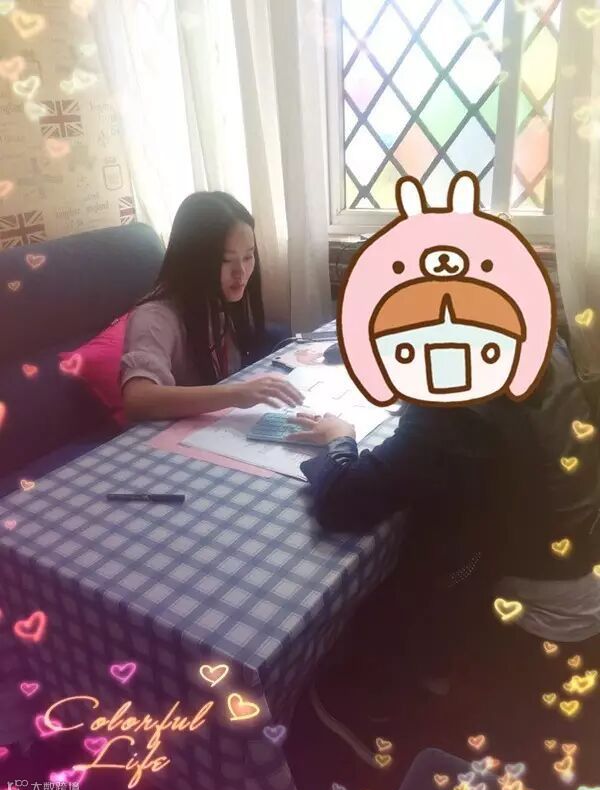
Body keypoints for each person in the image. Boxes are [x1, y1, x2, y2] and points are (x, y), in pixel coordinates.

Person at [293, 335, 600, 677]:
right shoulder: (540, 340)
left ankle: (409, 684)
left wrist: (339, 437)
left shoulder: (453, 403)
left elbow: (341, 500)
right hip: (579, 548)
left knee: (397, 581)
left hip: (540, 617)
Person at [121, 191, 303, 420]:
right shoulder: (154, 318)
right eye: (226, 260)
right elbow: (137, 399)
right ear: (194, 260)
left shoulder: (216, 298)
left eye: (248, 257)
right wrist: (235, 394)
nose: (241, 272)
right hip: (170, 432)